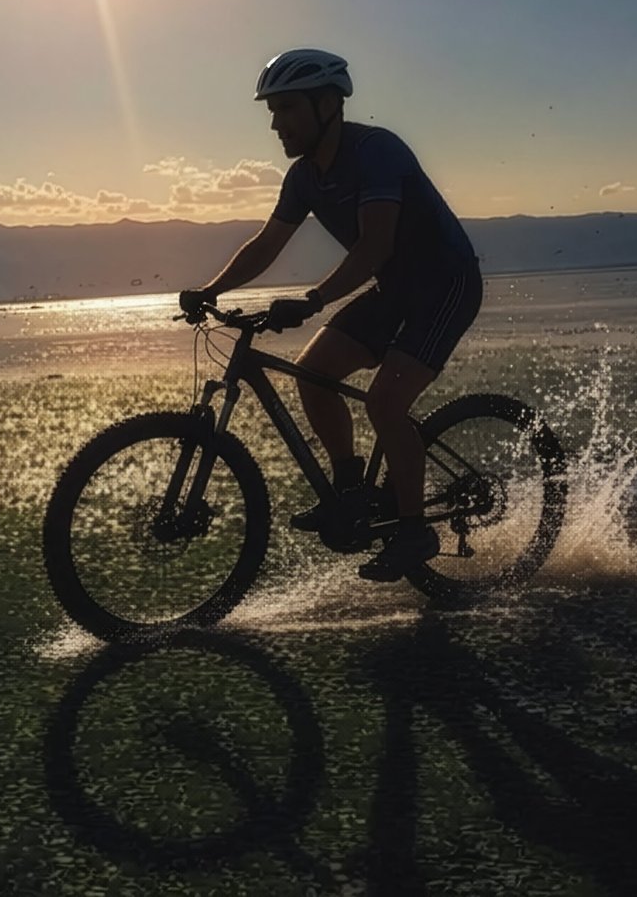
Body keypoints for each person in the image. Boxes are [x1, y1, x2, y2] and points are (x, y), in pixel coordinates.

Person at [181, 48, 483, 582]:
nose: (276, 124)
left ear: (327, 105)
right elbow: (266, 244)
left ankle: (415, 530)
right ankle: (351, 490)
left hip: (445, 285)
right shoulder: (302, 178)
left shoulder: (377, 152)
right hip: (394, 288)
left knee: (386, 403)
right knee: (314, 375)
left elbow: (375, 246)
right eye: (272, 112)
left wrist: (314, 299)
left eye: (287, 109)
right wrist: (210, 289)